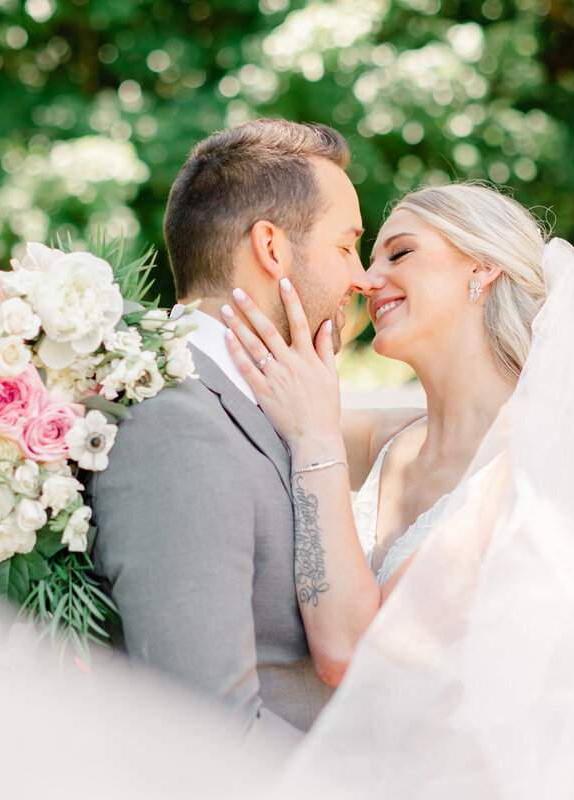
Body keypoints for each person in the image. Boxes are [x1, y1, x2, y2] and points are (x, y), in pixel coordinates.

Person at [224, 183, 574, 797]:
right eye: (368, 256)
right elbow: (240, 409)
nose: (366, 277)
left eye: (400, 253)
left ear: (483, 268)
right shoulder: (384, 442)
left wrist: (314, 439)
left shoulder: (540, 465)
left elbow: (347, 652)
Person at [87, 119, 380, 743]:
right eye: (346, 245)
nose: (361, 278)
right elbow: (210, 734)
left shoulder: (259, 405)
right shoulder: (176, 422)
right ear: (273, 249)